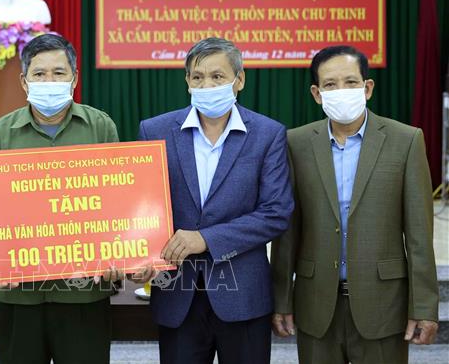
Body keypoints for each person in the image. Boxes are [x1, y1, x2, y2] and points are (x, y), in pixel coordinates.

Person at [271, 45, 439, 363]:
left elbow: (419, 235)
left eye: (350, 82)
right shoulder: (296, 143)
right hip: (316, 304)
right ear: (317, 94)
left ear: (367, 87)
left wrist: (424, 307)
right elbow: (287, 232)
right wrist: (281, 299)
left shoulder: (406, 141)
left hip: (384, 305)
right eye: (330, 84)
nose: (341, 91)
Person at [133, 37, 294, 364]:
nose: (206, 85)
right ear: (187, 81)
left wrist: (205, 239)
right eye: (198, 77)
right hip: (177, 293)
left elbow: (275, 213)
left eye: (217, 76)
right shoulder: (154, 131)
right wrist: (136, 255)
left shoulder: (268, 134)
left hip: (244, 296)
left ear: (239, 80)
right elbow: (142, 207)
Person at [0, 33, 121, 364]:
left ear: (74, 79)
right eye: (39, 74)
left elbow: (117, 209)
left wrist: (121, 255)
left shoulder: (100, 128)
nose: (49, 81)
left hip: (84, 295)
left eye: (58, 73)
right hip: (18, 296)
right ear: (24, 82)